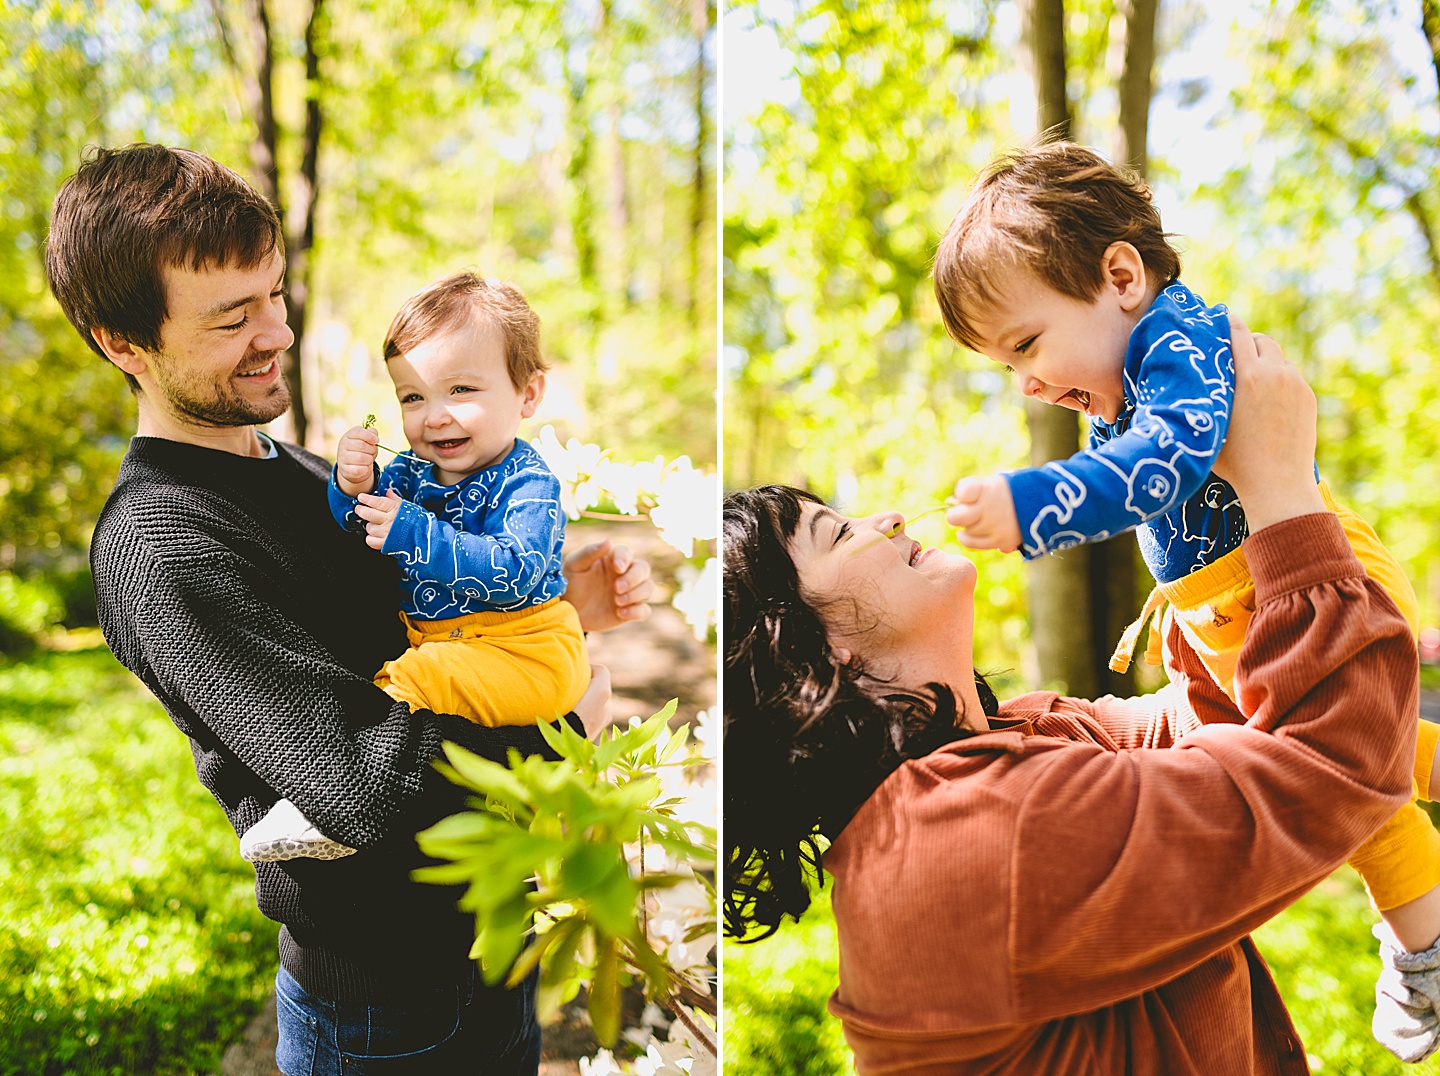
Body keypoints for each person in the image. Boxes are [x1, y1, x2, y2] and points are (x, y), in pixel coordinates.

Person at [46, 143, 652, 1076]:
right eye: (232, 317)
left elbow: (392, 626)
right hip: (381, 1010)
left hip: (486, 945)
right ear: (122, 344)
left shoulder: (292, 469)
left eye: (275, 296)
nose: (277, 335)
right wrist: (567, 731)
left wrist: (560, 610)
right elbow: (371, 781)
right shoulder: (163, 547)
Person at [723, 320, 1437, 1072]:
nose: (889, 517)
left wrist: (1198, 540)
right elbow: (1336, 764)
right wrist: (1281, 491)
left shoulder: (1011, 741)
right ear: (809, 652)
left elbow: (1226, 720)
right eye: (838, 534)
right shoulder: (965, 836)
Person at [929, 141, 1440, 1012]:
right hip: (1231, 609)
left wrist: (1036, 504)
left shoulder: (1180, 346)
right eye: (1006, 366)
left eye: (1027, 345)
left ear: (1121, 276)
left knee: (1352, 791)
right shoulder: (1133, 368)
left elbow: (1165, 464)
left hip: (1307, 579)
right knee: (1376, 749)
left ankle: (1426, 953)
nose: (1026, 384)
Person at [240, 271, 591, 863]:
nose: (435, 417)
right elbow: (358, 530)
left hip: (526, 648)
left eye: (461, 391)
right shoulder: (411, 475)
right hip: (447, 644)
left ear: (527, 395)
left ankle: (329, 803)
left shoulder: (530, 483)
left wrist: (415, 532)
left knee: (421, 679)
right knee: (423, 679)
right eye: (412, 397)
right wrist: (351, 486)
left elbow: (517, 571)